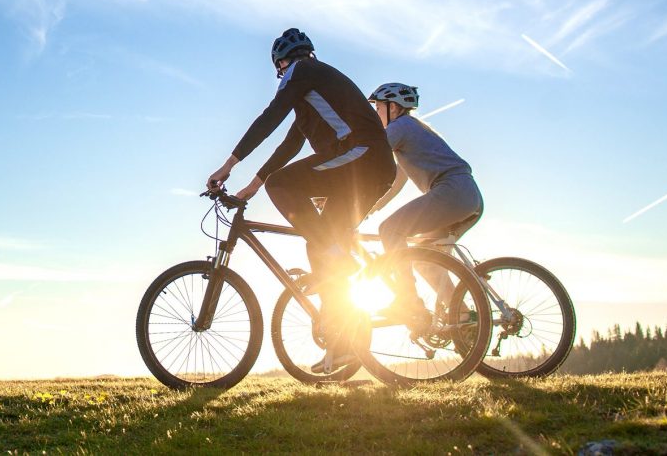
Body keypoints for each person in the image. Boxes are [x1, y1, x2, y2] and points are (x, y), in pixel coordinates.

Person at [206, 28, 396, 370]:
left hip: (362, 156)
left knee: (284, 187)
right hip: (368, 167)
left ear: (282, 64)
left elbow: (270, 116)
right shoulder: (312, 96)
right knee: (319, 248)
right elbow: (290, 144)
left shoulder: (302, 71)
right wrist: (251, 186)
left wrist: (228, 164)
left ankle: (341, 257)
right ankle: (343, 346)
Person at [367, 82, 484, 320]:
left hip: (451, 190)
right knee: (425, 261)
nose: (375, 114)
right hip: (468, 196)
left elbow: (369, 158)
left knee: (390, 230)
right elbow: (394, 184)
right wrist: (369, 208)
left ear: (394, 108)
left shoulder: (401, 126)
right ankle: (463, 318)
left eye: (378, 107)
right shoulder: (410, 131)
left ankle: (407, 300)